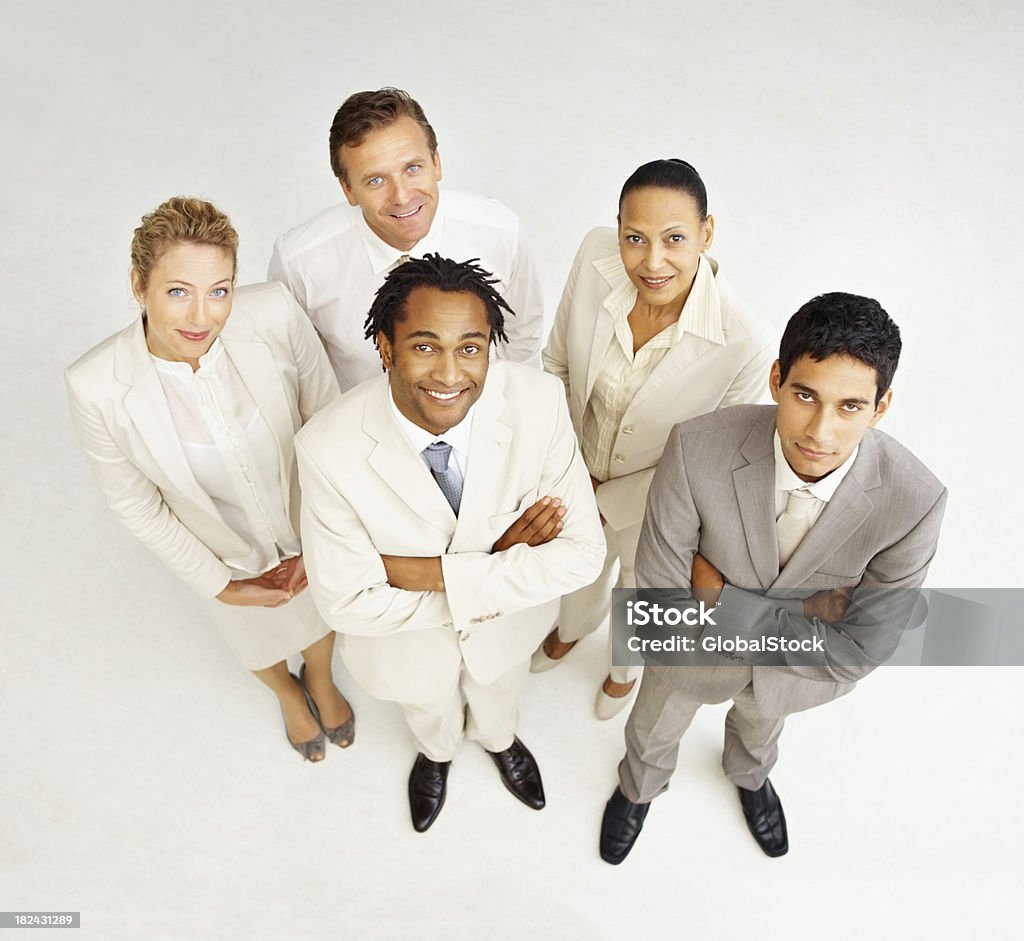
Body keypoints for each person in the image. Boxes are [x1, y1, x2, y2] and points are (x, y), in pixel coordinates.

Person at [598, 293, 948, 864]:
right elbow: (659, 610)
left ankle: (750, 777)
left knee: (761, 732)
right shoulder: (695, 447)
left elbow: (860, 650)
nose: (820, 431)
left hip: (786, 677)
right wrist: (810, 618)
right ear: (776, 379)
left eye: (850, 407)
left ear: (881, 407)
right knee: (654, 727)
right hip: (688, 656)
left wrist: (717, 597)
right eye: (805, 395)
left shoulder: (916, 501)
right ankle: (639, 787)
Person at [295, 254, 605, 832]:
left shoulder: (538, 403)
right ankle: (436, 755)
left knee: (500, 694)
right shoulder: (325, 448)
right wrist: (499, 561)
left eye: (470, 347)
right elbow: (344, 602)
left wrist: (427, 572)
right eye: (424, 346)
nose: (449, 373)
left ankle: (499, 740)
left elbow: (584, 556)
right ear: (385, 348)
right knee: (428, 710)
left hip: (508, 631)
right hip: (404, 649)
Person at [65, 197, 354, 762]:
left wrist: (324, 536)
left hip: (311, 527)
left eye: (219, 290)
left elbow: (328, 421)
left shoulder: (273, 312)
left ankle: (320, 676)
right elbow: (136, 506)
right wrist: (222, 585)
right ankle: (286, 691)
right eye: (178, 291)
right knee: (254, 636)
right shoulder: (94, 386)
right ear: (137, 285)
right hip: (221, 556)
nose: (202, 316)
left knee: (320, 613)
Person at [536, 158, 774, 718]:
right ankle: (571, 630)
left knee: (639, 591)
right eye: (634, 239)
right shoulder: (594, 256)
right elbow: (556, 366)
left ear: (706, 234)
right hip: (570, 471)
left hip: (657, 502)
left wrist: (604, 501)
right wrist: (568, 476)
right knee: (578, 569)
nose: (652, 261)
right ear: (616, 229)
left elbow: (708, 461)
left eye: (674, 239)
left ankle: (625, 669)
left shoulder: (746, 342)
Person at [269, 87, 544, 391]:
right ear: (348, 189)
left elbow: (521, 342)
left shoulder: (500, 231)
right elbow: (296, 376)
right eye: (376, 180)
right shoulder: (299, 261)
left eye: (412, 168)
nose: (401, 197)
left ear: (436, 163)